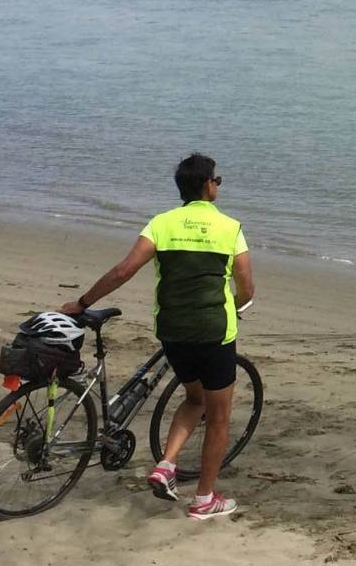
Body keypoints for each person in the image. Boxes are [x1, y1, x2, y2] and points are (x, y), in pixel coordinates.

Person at [61, 153, 254, 520]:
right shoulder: (230, 228)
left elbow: (123, 271)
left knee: (193, 398)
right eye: (217, 180)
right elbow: (245, 286)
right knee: (218, 417)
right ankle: (204, 499)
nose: (218, 185)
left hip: (173, 331)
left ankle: (166, 464)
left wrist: (83, 301)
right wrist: (236, 306)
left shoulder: (162, 224)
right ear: (207, 185)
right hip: (215, 334)